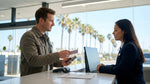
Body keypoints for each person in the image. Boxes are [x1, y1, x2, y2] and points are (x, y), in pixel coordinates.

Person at [20, 7, 72, 76]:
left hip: (45, 78)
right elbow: (33, 60)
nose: (53, 24)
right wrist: (58, 55)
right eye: (51, 21)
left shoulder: (46, 38)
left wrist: (61, 63)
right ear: (41, 20)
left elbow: (47, 60)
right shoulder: (28, 36)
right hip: (31, 80)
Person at [97, 19, 145, 84]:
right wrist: (104, 67)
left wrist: (101, 68)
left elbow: (121, 70)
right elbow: (119, 66)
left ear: (124, 31)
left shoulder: (130, 47)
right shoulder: (125, 46)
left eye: (116, 30)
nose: (113, 32)